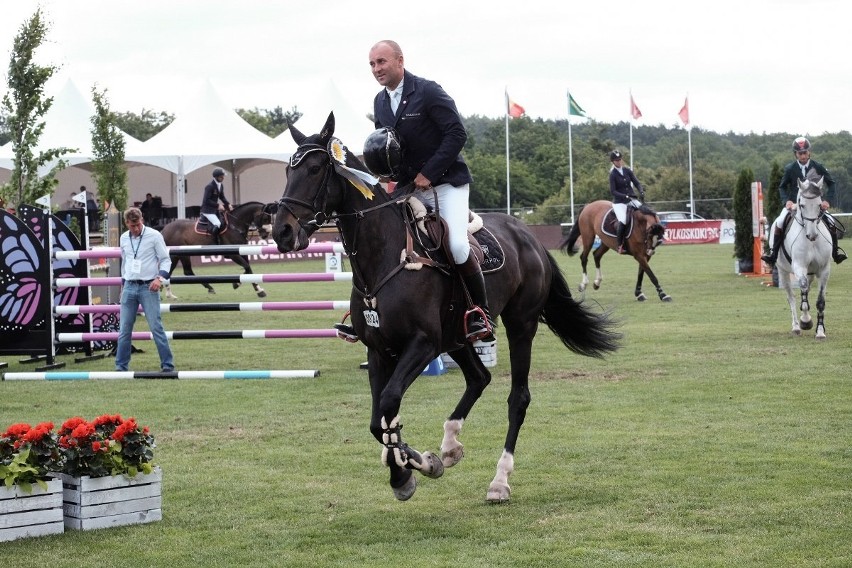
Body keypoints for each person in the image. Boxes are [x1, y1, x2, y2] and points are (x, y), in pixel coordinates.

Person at [367, 39, 494, 343]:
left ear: (399, 60)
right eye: (372, 64)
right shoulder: (379, 102)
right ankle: (372, 314)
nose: (376, 69)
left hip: (447, 183)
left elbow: (456, 133)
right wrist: (389, 177)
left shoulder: (428, 91)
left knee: (457, 246)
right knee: (384, 239)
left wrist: (430, 173)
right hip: (409, 187)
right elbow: (390, 148)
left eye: (381, 62)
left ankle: (480, 313)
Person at [761, 137, 847, 265]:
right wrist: (787, 202)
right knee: (779, 222)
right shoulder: (790, 168)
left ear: (809, 152)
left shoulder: (818, 166)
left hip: (814, 204)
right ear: (795, 154)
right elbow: (782, 187)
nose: (803, 155)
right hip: (795, 204)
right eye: (800, 153)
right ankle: (773, 254)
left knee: (830, 220)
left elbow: (831, 184)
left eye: (805, 152)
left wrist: (827, 200)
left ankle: (835, 253)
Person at [114, 207, 175, 373]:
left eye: (138, 224)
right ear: (126, 223)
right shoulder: (124, 238)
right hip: (129, 285)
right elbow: (125, 263)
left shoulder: (155, 236)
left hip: (149, 286)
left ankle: (167, 364)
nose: (136, 228)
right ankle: (120, 366)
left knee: (156, 326)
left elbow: (165, 260)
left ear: (142, 220)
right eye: (132, 225)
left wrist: (159, 278)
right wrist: (123, 285)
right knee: (124, 328)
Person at [608, 150, 645, 254]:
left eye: (620, 159)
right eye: (616, 160)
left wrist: (641, 190)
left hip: (631, 200)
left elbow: (637, 183)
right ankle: (620, 245)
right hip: (619, 203)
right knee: (623, 220)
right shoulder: (613, 174)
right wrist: (625, 196)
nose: (619, 162)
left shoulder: (627, 170)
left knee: (644, 213)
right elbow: (613, 191)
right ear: (613, 162)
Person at [200, 167, 233, 244]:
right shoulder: (209, 186)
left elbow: (222, 197)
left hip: (214, 210)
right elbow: (206, 200)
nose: (223, 178)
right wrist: (218, 205)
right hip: (207, 210)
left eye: (223, 176)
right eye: (221, 176)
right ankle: (214, 241)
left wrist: (228, 204)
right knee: (217, 224)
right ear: (216, 177)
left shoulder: (220, 185)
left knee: (224, 222)